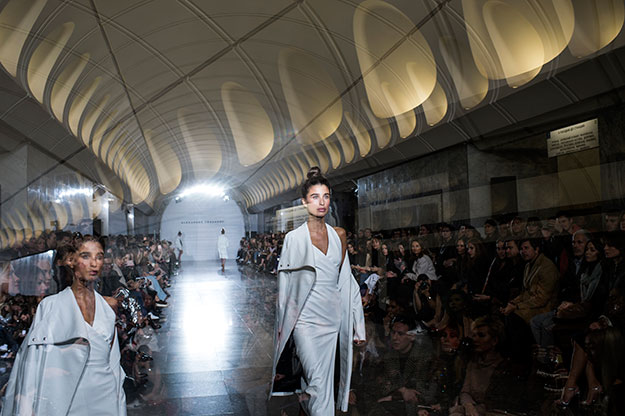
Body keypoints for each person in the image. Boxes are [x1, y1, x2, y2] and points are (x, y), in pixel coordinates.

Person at [270, 167, 365, 415]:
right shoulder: (293, 239)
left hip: (332, 318)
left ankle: (307, 405)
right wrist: (283, 327)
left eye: (326, 196)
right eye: (315, 197)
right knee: (319, 382)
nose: (321, 202)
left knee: (320, 382)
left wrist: (357, 324)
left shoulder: (339, 235)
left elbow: (346, 281)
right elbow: (286, 287)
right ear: (304, 201)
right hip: (305, 321)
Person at [1, 236, 126, 416]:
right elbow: (34, 362)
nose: (94, 263)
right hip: (65, 400)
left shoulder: (107, 308)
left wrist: (119, 406)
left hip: (105, 398)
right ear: (70, 261)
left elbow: (114, 364)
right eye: (86, 256)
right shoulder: (51, 306)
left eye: (99, 257)